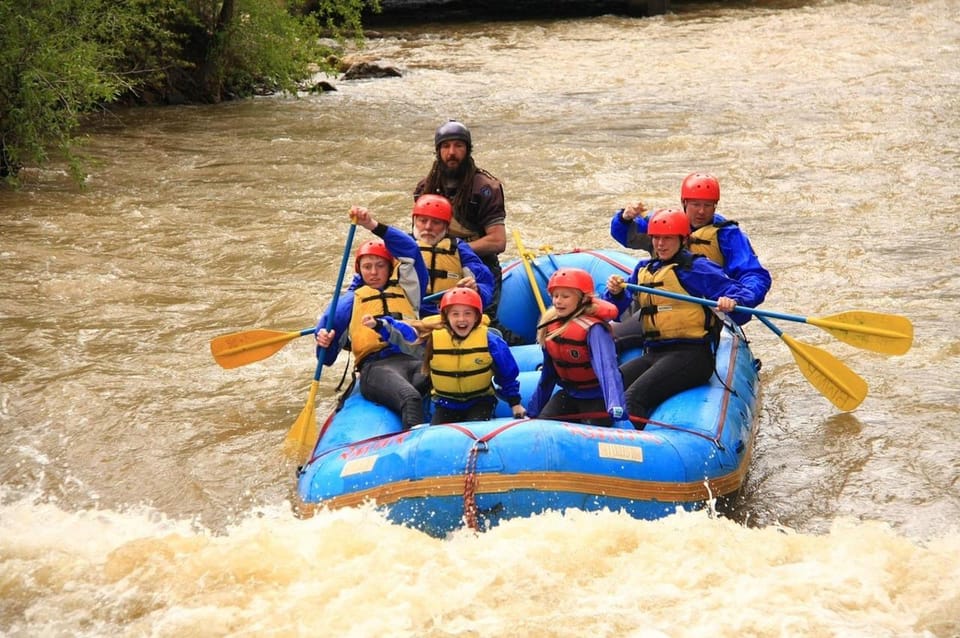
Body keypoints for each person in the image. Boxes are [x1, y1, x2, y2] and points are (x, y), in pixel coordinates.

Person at [604, 208, 754, 426]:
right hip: (654, 353)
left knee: (631, 398)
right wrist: (615, 293)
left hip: (692, 357)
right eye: (656, 238)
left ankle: (631, 452)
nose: (660, 244)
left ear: (682, 239)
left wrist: (734, 302)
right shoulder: (643, 269)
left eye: (667, 238)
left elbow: (739, 293)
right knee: (609, 389)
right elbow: (612, 309)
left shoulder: (698, 268)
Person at [315, 206, 430, 430]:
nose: (374, 272)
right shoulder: (347, 303)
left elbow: (410, 250)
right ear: (359, 270)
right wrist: (324, 343)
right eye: (367, 267)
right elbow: (325, 358)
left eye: (380, 266)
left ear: (390, 267)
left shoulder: (409, 288)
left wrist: (372, 225)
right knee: (410, 397)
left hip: (414, 360)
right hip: (376, 368)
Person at [609, 172, 771, 325]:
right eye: (695, 204)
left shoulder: (726, 234)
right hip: (661, 300)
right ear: (684, 203)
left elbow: (754, 275)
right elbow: (627, 236)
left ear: (715, 206)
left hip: (705, 306)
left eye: (707, 205)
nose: (701, 211)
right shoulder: (664, 223)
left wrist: (737, 300)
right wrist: (625, 219)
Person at [414, 120, 514, 335]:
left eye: (458, 146)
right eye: (446, 146)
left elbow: (497, 241)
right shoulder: (426, 187)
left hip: (477, 266)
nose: (452, 152)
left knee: (484, 322)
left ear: (467, 150)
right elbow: (418, 234)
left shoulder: (485, 188)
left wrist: (455, 250)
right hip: (432, 265)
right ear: (438, 151)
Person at [381, 287, 526, 424]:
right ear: (446, 317)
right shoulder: (433, 340)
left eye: (468, 313)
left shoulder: (491, 341)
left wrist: (515, 403)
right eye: (455, 314)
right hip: (446, 404)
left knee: (476, 431)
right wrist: (381, 326)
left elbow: (507, 374)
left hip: (480, 401)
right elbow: (407, 336)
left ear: (477, 317)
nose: (461, 319)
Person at [526, 267, 626, 427]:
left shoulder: (594, 329)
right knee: (542, 427)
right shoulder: (550, 326)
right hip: (570, 394)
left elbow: (607, 369)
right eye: (555, 296)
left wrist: (615, 404)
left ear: (583, 299)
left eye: (565, 296)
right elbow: (548, 374)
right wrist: (533, 410)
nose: (558, 301)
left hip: (597, 398)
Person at [407, 193, 495, 317]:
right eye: (423, 220)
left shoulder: (460, 249)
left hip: (448, 316)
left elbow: (485, 283)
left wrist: (476, 289)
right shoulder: (400, 245)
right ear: (414, 221)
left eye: (436, 222)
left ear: (446, 227)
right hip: (408, 313)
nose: (428, 227)